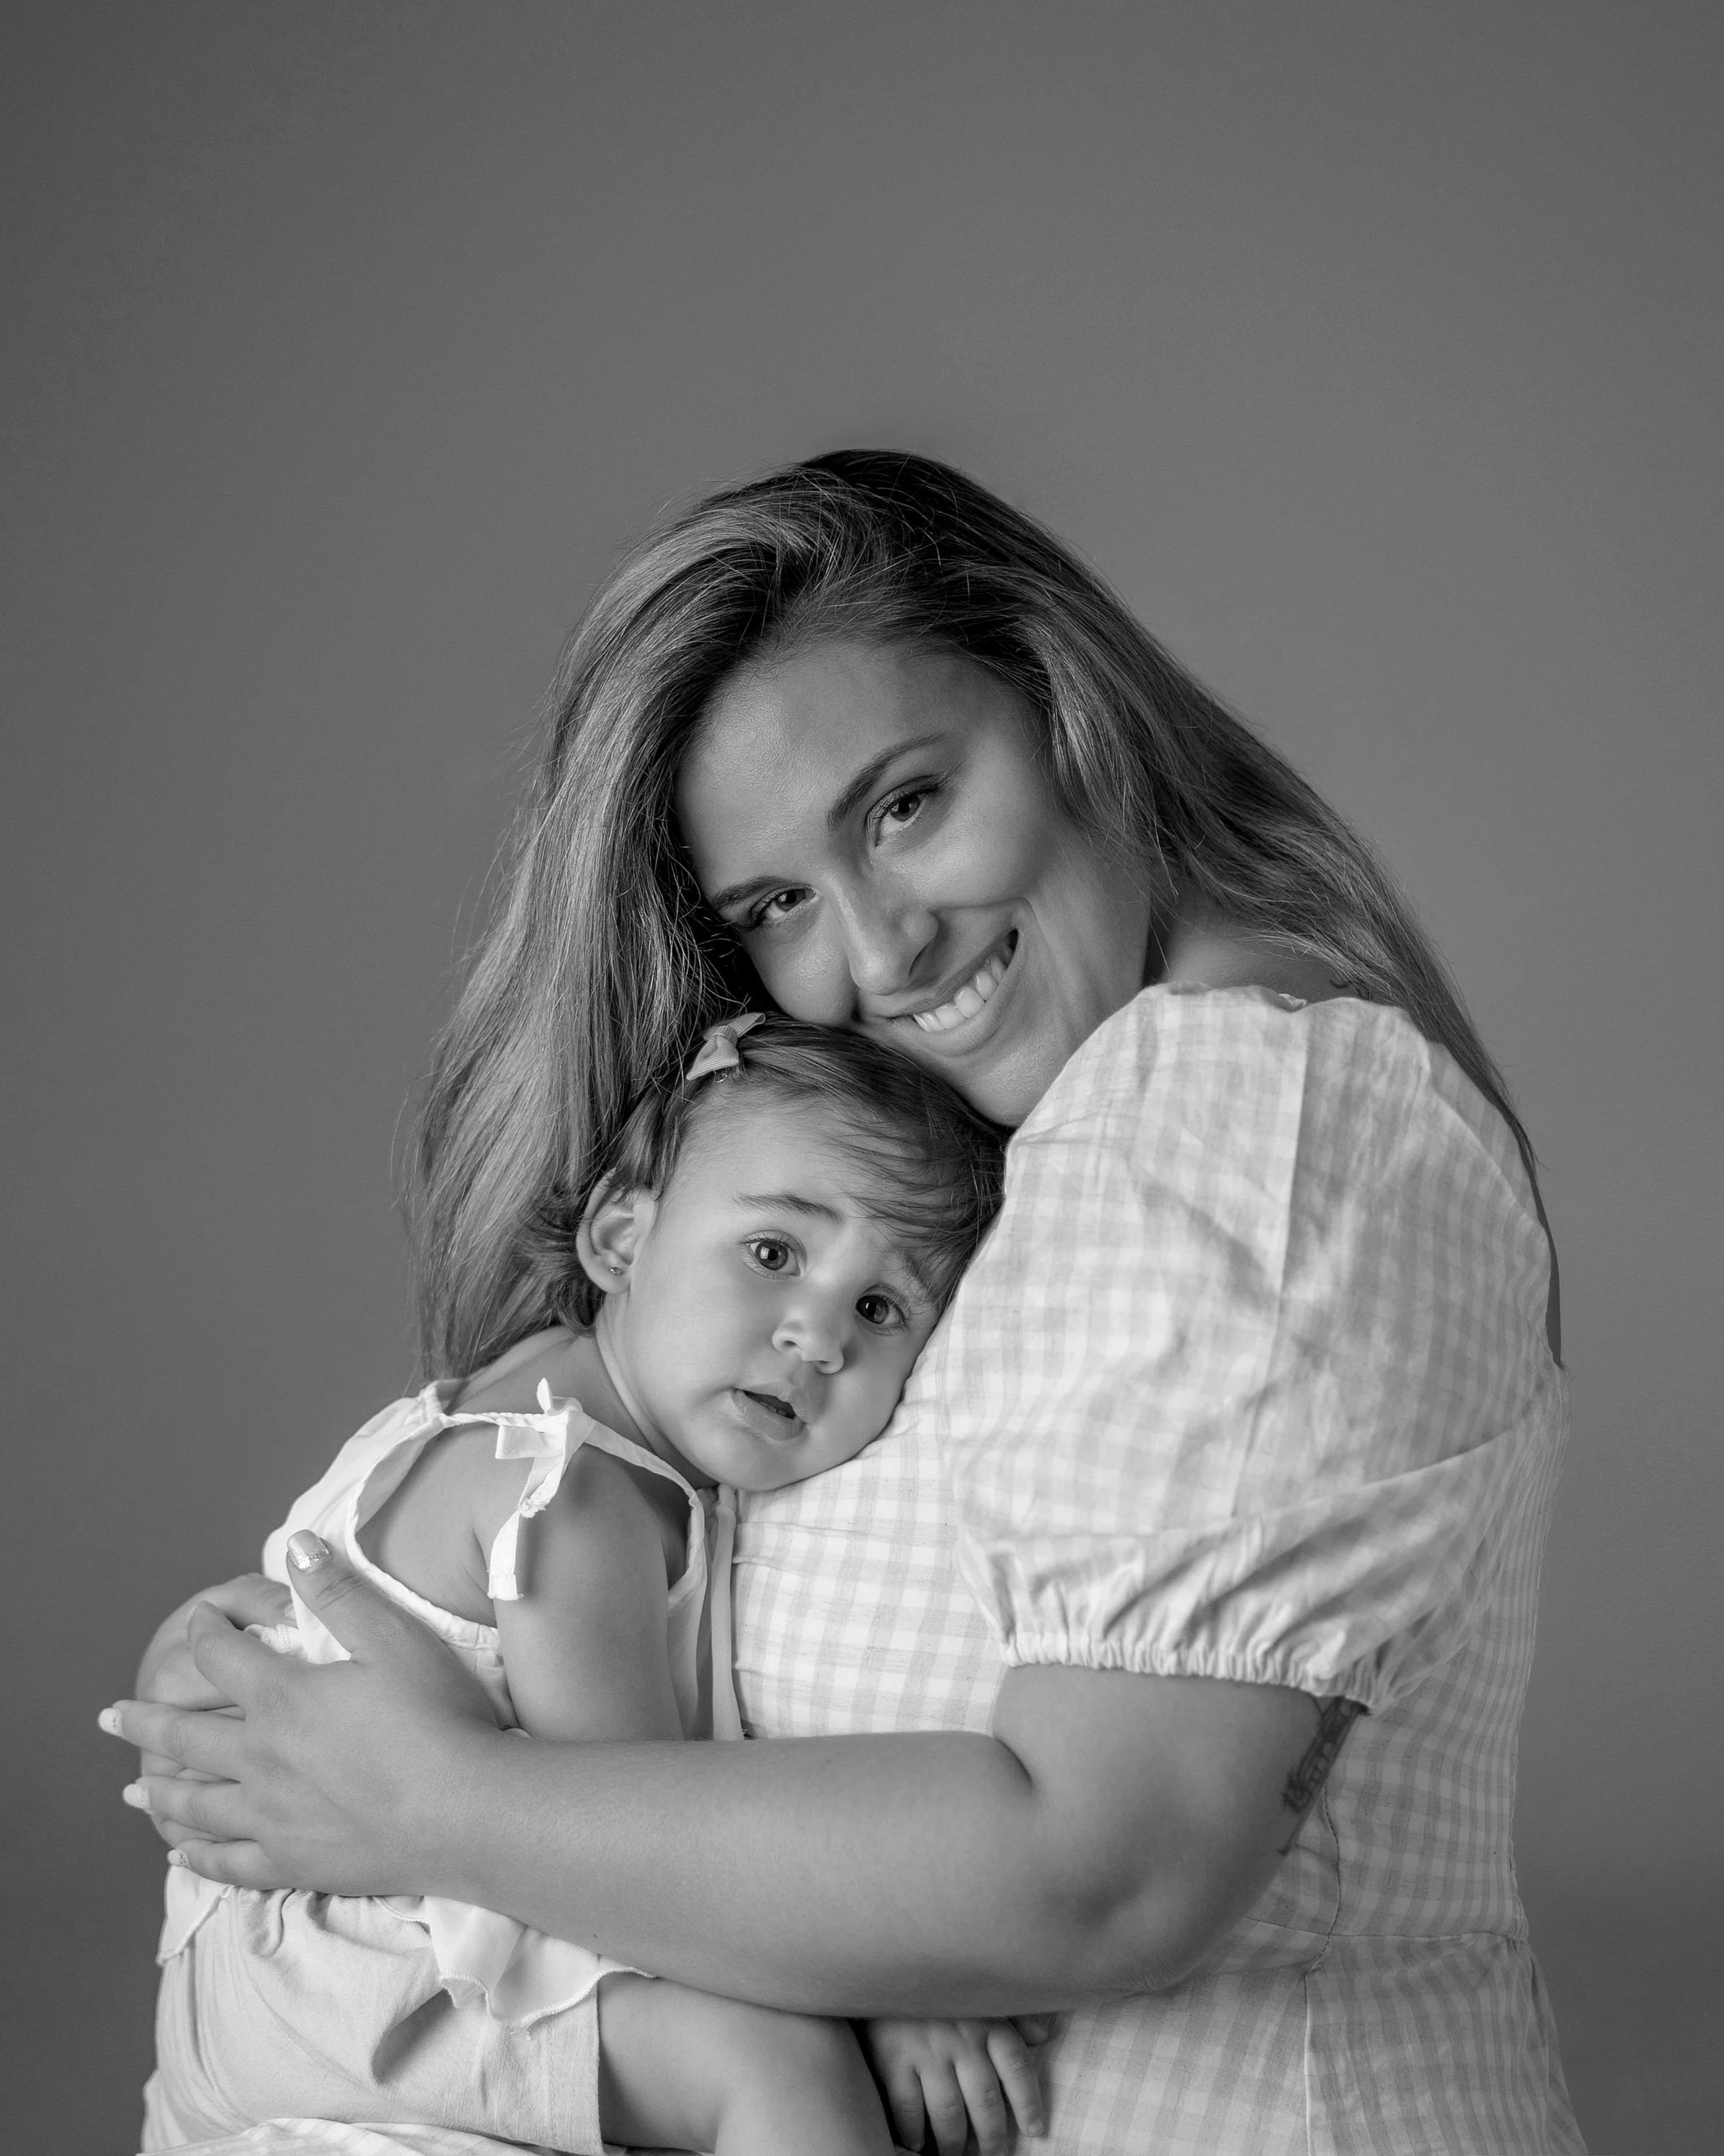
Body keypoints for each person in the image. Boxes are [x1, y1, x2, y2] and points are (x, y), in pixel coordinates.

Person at [111, 450, 1584, 2155]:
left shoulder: (1239, 1122)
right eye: (778, 906)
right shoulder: (999, 1164)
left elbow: (1104, 1869)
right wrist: (265, 1690)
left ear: (1063, 705)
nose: (880, 953)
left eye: (904, 802)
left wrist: (426, 1797)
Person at [143, 1013, 1039, 2155]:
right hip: (348, 1973)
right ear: (621, 1236)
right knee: (777, 2069)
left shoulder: (501, 1400)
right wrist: (878, 1989)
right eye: (774, 1254)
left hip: (254, 1969)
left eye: (882, 1309)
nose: (817, 1336)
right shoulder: (577, 1496)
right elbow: (638, 1857)